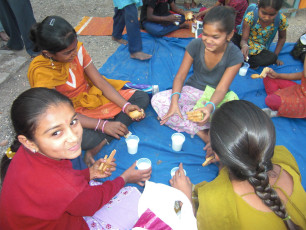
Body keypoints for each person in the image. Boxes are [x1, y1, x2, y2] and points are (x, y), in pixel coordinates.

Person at [0, 88, 152, 230]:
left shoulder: (25, 152)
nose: (73, 137)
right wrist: (124, 178)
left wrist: (89, 173)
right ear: (28, 141)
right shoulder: (59, 183)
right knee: (135, 202)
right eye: (55, 133)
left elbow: (66, 184)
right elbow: (90, 205)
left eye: (73, 122)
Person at [27, 16, 150, 167]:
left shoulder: (77, 49)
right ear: (48, 53)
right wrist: (102, 125)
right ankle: (106, 134)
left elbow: (99, 81)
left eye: (74, 48)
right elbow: (59, 113)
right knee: (81, 138)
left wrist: (125, 106)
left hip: (91, 97)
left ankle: (106, 134)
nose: (73, 54)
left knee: (141, 98)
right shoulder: (41, 72)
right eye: (67, 53)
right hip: (69, 113)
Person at [170, 100, 306, 230]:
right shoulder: (284, 156)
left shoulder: (216, 201)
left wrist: (183, 197)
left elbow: (188, 223)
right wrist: (225, 158)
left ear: (217, 155)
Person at [151, 6, 243, 152]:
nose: (208, 40)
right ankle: (203, 133)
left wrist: (209, 107)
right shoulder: (195, 45)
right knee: (157, 100)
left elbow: (221, 88)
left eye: (215, 37)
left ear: (229, 35)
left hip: (216, 98)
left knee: (237, 120)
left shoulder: (235, 55)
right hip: (194, 89)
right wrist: (174, 101)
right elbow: (180, 76)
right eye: (205, 34)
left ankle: (185, 118)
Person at [237, 0, 288, 69]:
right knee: (230, 39)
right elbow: (244, 39)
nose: (267, 17)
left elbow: (282, 38)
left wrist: (275, 56)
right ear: (258, 6)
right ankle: (244, 59)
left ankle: (242, 59)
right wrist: (244, 46)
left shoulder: (280, 19)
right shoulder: (251, 17)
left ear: (278, 11)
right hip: (245, 44)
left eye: (272, 15)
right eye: (264, 13)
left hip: (260, 50)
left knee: (272, 57)